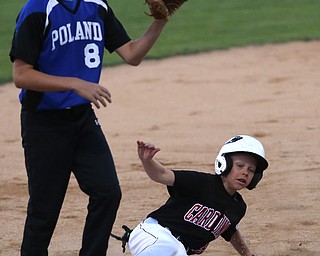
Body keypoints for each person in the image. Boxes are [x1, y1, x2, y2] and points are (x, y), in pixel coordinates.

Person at [9, 0, 169, 255]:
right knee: (45, 208)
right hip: (44, 123)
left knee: (107, 193)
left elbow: (132, 54)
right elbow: (21, 75)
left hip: (83, 120)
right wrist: (75, 83)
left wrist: (160, 21)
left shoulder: (96, 5)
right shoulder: (38, 9)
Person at [128, 135, 268, 255]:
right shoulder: (201, 183)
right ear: (225, 163)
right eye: (240, 166)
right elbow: (162, 174)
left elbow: (230, 231)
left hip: (177, 249)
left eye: (251, 170)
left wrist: (248, 254)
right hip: (155, 233)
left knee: (176, 250)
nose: (245, 172)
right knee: (171, 248)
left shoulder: (238, 207)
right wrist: (147, 161)